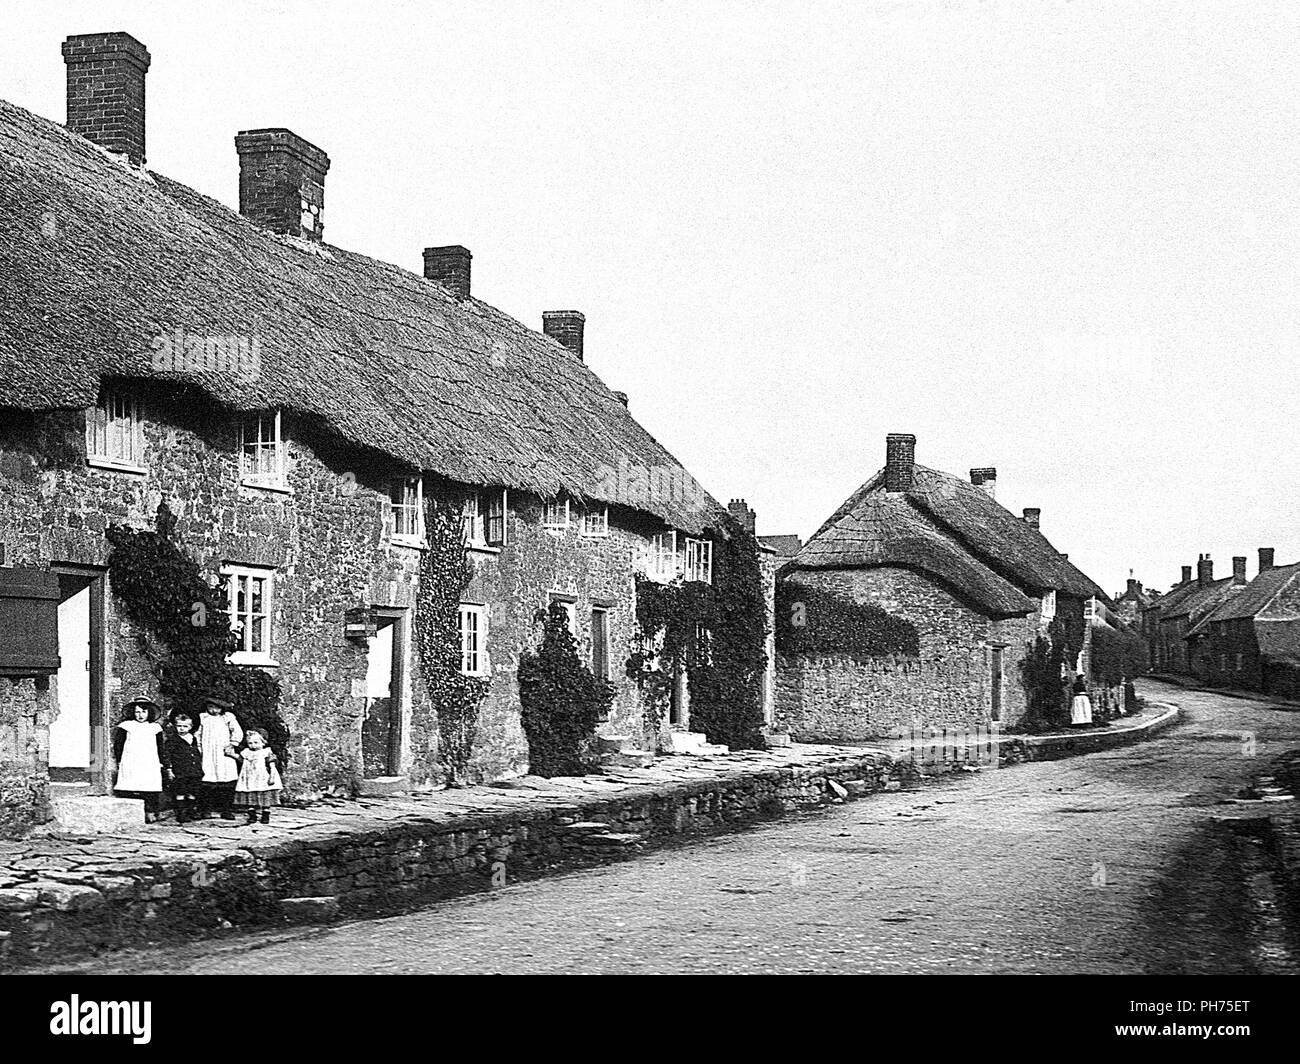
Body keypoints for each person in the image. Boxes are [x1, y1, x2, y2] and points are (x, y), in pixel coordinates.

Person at [113, 697, 165, 823]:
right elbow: (118, 744)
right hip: (131, 758)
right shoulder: (126, 726)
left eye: (144, 712)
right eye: (137, 712)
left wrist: (163, 761)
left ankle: (150, 811)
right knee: (131, 782)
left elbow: (160, 746)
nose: (140, 715)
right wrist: (119, 760)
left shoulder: (155, 728)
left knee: (149, 784)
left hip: (149, 759)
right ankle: (131, 812)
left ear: (149, 713)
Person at [196, 692, 243, 820]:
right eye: (210, 707)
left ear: (222, 708)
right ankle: (206, 809)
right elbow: (198, 735)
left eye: (217, 707)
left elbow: (237, 731)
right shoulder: (202, 718)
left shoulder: (227, 717)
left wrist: (233, 744)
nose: (213, 710)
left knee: (226, 781)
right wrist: (199, 749)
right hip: (208, 753)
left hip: (224, 753)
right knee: (207, 781)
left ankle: (226, 809)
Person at [162, 710, 205, 824]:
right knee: (180, 792)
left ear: (190, 727)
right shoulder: (172, 740)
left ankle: (191, 811)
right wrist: (169, 769)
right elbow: (167, 755)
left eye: (185, 726)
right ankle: (181, 813)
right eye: (179, 726)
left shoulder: (193, 738)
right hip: (180, 771)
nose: (182, 729)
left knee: (192, 791)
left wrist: (199, 767)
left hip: (193, 770)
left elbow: (196, 754)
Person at [234, 728, 283, 825]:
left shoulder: (266, 752)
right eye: (250, 743)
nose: (253, 745)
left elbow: (272, 765)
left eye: (256, 742)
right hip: (249, 777)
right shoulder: (247, 752)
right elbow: (241, 760)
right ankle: (252, 814)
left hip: (262, 777)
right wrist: (232, 755)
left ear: (263, 742)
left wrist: (272, 776)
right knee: (250, 794)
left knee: (265, 795)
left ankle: (265, 814)